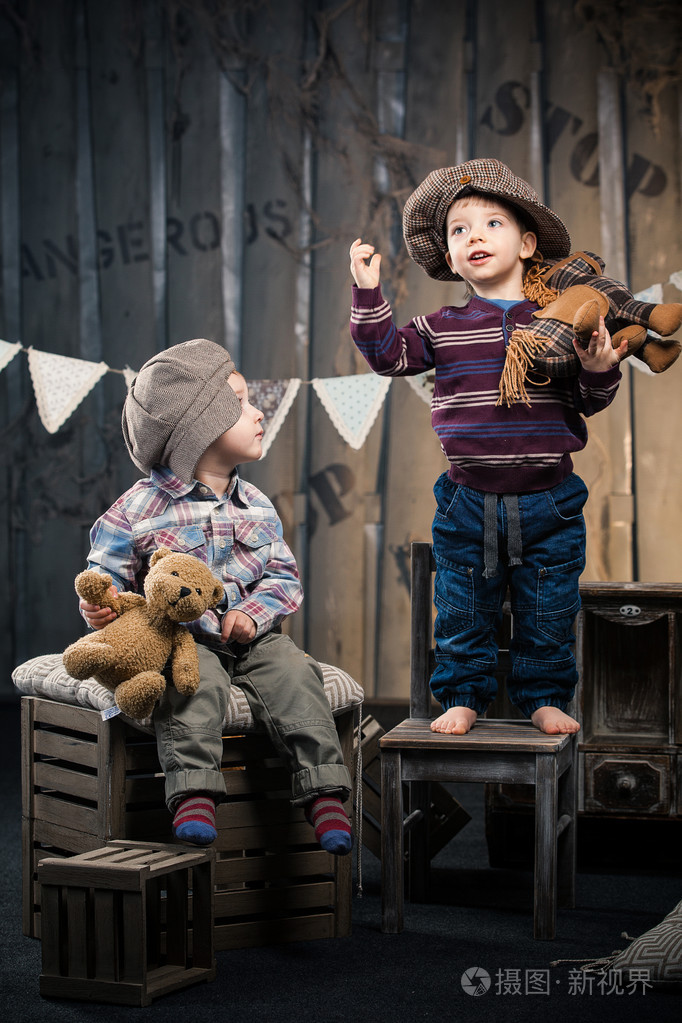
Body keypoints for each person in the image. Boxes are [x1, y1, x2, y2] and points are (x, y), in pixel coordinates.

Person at [349, 158, 627, 737]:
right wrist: (369, 291)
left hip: (549, 500)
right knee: (462, 606)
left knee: (548, 610)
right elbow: (386, 356)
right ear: (449, 258)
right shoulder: (442, 325)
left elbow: (588, 397)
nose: (473, 235)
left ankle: (544, 697)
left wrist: (600, 369)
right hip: (467, 499)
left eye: (492, 224)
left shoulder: (558, 318)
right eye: (458, 229)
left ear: (528, 244)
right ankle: (463, 695)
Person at [78, 338, 353, 851]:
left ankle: (324, 792)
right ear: (199, 427)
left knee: (297, 676)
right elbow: (105, 571)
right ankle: (193, 793)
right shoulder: (139, 507)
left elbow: (283, 575)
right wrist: (101, 604)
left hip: (255, 638)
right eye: (242, 402)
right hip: (184, 640)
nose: (257, 412)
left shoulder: (255, 504)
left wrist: (252, 612)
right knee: (192, 688)